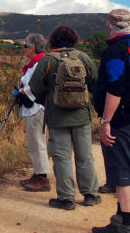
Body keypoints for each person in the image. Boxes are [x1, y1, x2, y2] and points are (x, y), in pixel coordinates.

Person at [28, 25, 101, 210]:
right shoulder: (83, 58)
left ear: (53, 40)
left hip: (57, 117)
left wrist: (49, 96)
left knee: (62, 157)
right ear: (74, 39)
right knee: (85, 156)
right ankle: (90, 194)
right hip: (82, 116)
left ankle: (66, 198)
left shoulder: (48, 61)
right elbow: (95, 83)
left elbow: (35, 88)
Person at [90, 8, 130, 233]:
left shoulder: (116, 51)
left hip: (120, 121)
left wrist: (106, 122)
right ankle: (119, 221)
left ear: (109, 25)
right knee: (127, 170)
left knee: (123, 176)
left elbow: (116, 88)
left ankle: (129, 232)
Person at [16, 33, 50, 192]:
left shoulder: (39, 64)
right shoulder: (36, 63)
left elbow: (37, 85)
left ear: (33, 48)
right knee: (34, 142)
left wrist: (22, 91)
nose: (24, 49)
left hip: (36, 107)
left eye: (26, 46)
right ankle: (38, 174)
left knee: (37, 142)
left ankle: (42, 178)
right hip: (32, 108)